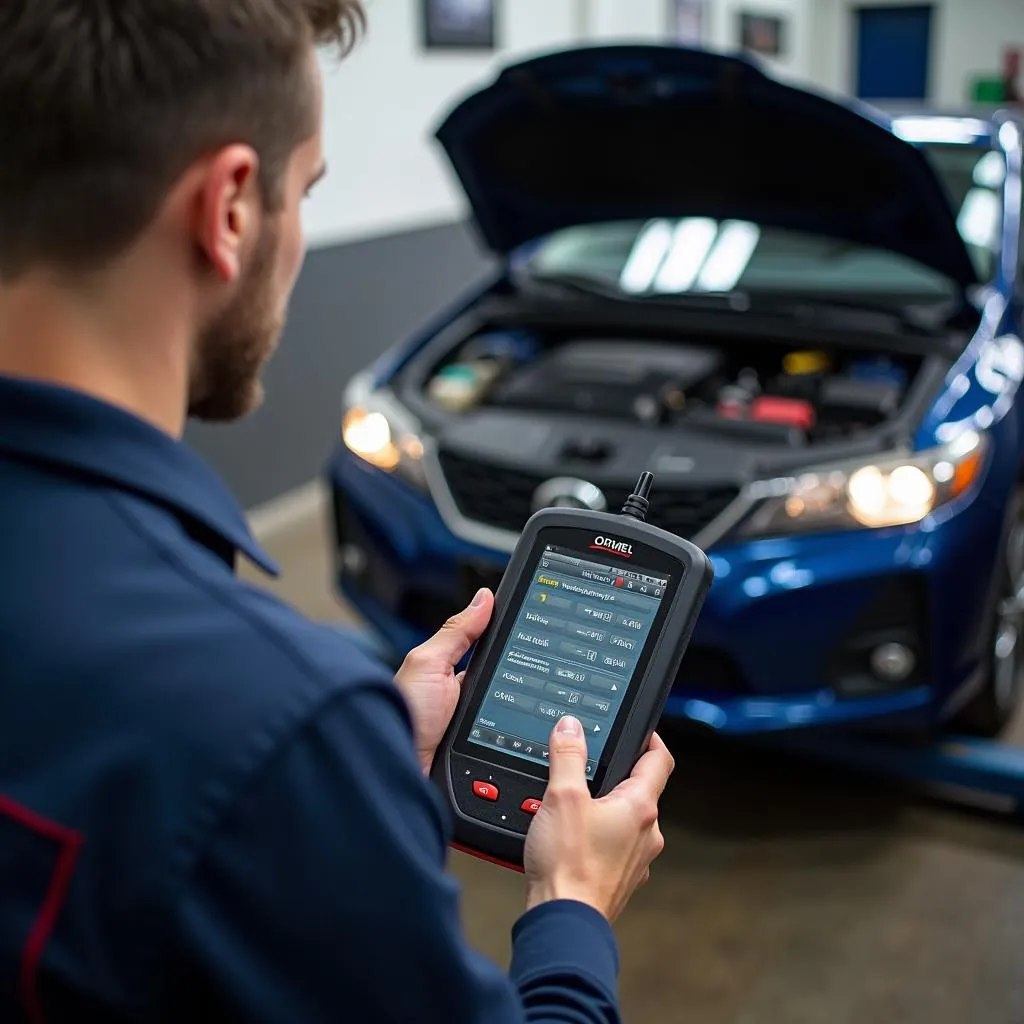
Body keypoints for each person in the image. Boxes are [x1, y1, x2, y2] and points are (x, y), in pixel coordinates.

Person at [0, 3, 675, 1022]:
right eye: (303, 191)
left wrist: (356, 773)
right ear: (230, 207)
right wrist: (571, 906)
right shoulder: (273, 724)